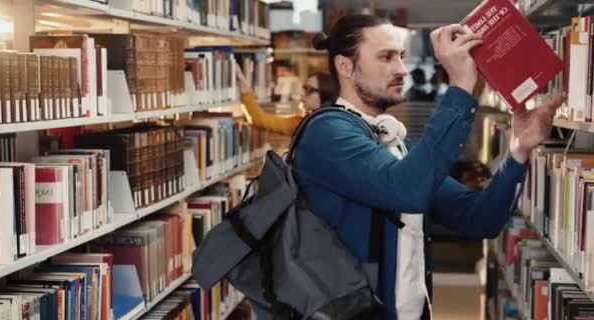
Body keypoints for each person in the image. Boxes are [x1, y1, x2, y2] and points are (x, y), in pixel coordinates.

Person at [292, 14, 565, 320]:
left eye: (401, 57)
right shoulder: (327, 133)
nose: (400, 69)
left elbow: (478, 219)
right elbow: (406, 189)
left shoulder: (389, 142)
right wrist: (461, 84)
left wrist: (518, 149)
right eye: (385, 57)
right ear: (345, 66)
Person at [236, 64, 338, 136]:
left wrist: (245, 91)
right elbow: (260, 120)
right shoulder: (300, 123)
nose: (302, 97)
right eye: (304, 90)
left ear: (326, 94)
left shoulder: (334, 127)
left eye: (309, 90)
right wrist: (245, 91)